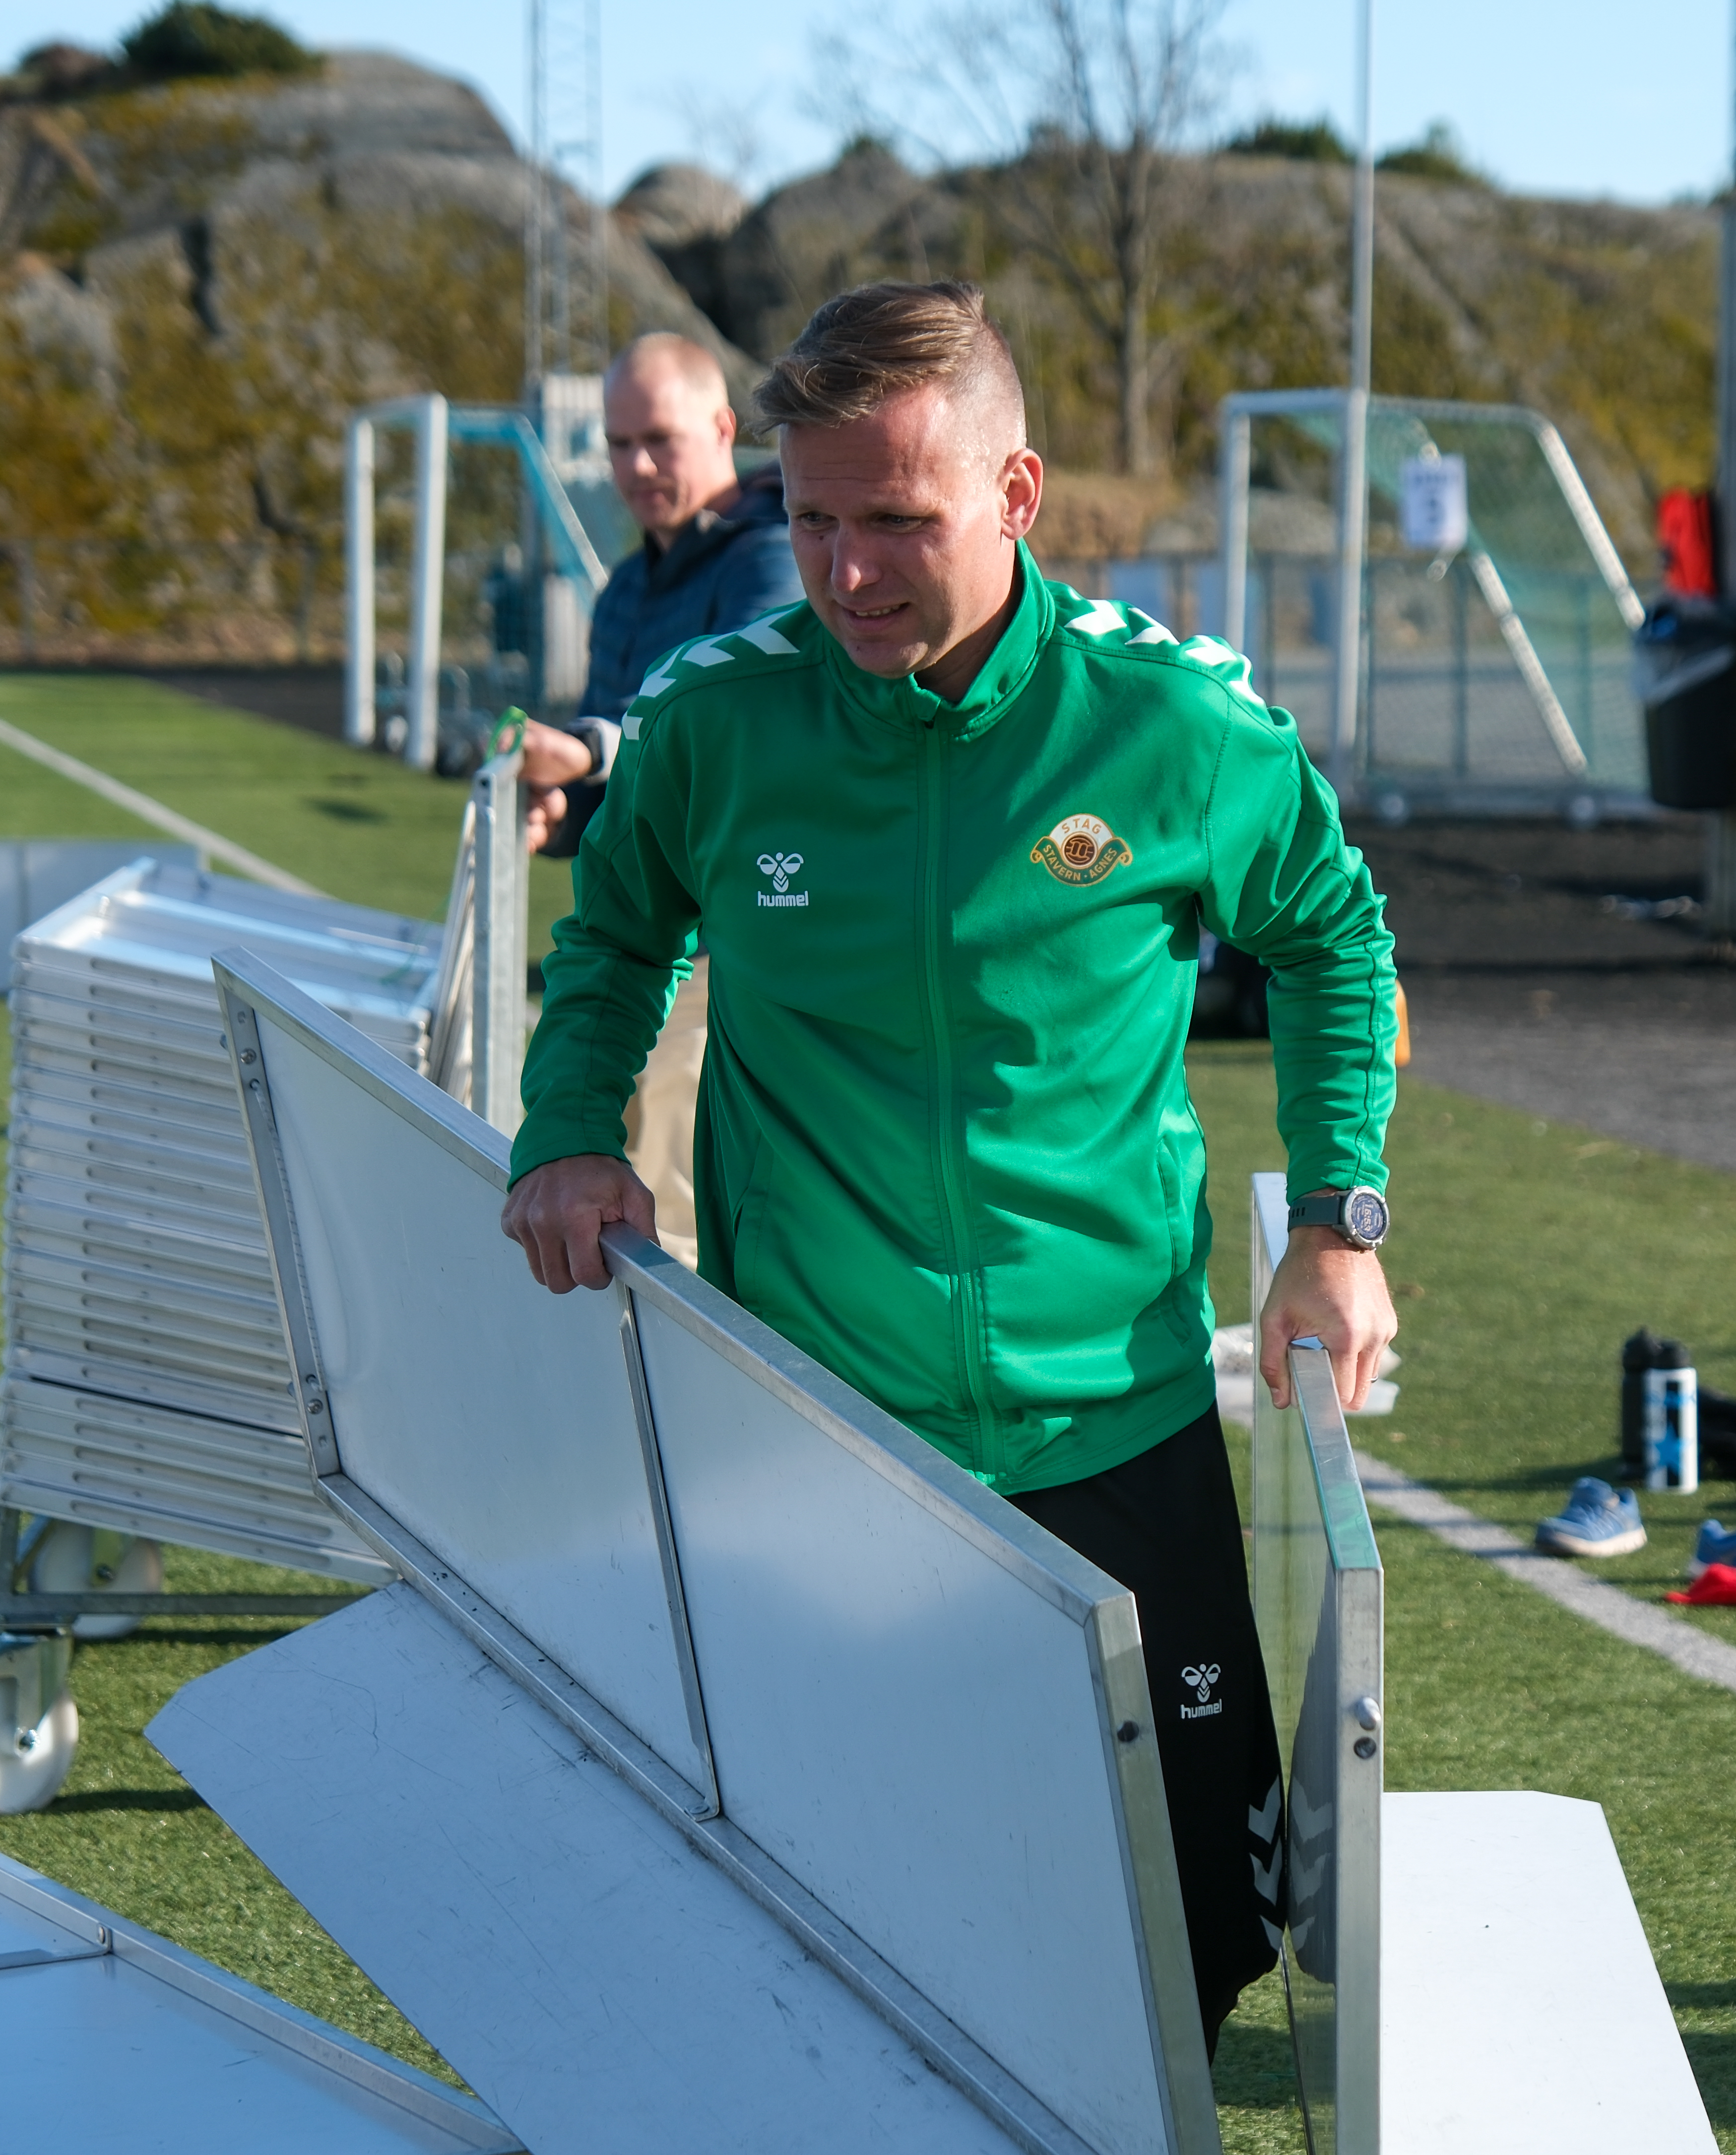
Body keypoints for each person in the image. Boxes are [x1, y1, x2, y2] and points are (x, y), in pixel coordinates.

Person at [496, 280, 1401, 2061]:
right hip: (825, 1429)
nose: (842, 572)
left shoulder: (1173, 722)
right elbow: (614, 939)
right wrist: (573, 1133)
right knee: (840, 1930)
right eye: (813, 519)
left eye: (894, 520)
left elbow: (1331, 936)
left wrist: (1336, 1217)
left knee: (1192, 1948)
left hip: (1114, 1424)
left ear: (1013, 492)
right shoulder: (713, 717)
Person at [504, 333, 800, 1259]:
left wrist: (582, 750)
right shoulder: (626, 587)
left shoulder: (775, 558)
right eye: (617, 442)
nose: (635, 465)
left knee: (671, 1224)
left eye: (659, 440)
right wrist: (558, 818)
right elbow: (622, 800)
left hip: (734, 948)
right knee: (594, 1207)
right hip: (631, 948)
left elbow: (703, 726)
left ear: (722, 428)